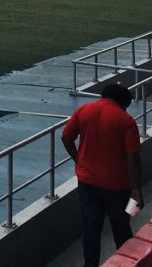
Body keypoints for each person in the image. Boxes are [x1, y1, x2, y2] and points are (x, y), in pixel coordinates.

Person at [61, 83, 144, 267]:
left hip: (87, 183)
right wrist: (137, 190)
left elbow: (66, 137)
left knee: (91, 228)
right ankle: (126, 263)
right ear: (123, 103)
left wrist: (79, 161)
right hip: (118, 187)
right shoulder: (126, 121)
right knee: (121, 227)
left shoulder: (83, 110)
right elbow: (133, 158)